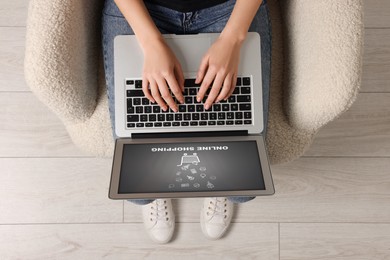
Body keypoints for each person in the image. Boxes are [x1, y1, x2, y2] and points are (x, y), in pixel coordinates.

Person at [102, 0, 271, 243]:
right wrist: (151, 43)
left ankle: (216, 184)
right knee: (139, 187)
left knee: (242, 187)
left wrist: (233, 38)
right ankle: (161, 185)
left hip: (230, 8)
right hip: (142, 8)